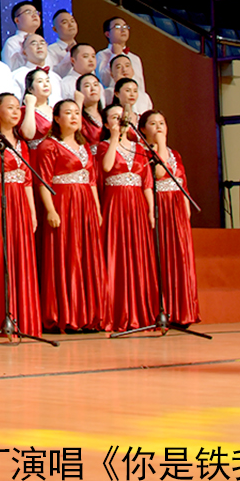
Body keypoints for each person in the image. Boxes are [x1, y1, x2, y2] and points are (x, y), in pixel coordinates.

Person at [35, 98, 106, 333]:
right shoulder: (48, 146)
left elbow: (92, 181)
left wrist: (96, 209)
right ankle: (65, 314)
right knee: (66, 255)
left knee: (86, 256)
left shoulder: (84, 147)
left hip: (85, 204)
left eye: (77, 113)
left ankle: (88, 314)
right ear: (56, 118)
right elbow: (43, 181)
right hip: (63, 203)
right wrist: (50, 210)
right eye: (68, 113)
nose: (74, 117)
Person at [0, 93, 40, 335]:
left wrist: (32, 213)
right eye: (9, 108)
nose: (15, 112)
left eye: (17, 108)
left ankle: (22, 317)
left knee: (21, 257)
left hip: (20, 202)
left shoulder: (21, 143)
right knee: (0, 256)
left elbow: (28, 181)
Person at [98, 104, 156, 332]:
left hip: (138, 204)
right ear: (106, 124)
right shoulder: (103, 146)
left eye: (122, 118)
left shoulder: (140, 148)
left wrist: (151, 210)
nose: (120, 121)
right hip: (115, 203)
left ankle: (141, 310)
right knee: (117, 253)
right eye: (114, 118)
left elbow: (147, 182)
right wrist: (114, 138)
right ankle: (117, 311)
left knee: (138, 254)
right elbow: (106, 167)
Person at [141, 110, 199, 328]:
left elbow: (182, 180)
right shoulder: (143, 152)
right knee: (163, 257)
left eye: (162, 123)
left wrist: (185, 207)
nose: (158, 127)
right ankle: (163, 309)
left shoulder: (176, 154)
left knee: (180, 257)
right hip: (160, 205)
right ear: (143, 129)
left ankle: (183, 310)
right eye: (153, 123)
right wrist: (161, 144)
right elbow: (158, 174)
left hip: (176, 205)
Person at [99, 16, 145, 95]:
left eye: (125, 27)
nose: (123, 30)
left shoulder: (135, 58)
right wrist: (115, 55)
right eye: (117, 27)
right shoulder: (102, 55)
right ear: (108, 34)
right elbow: (104, 81)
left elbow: (141, 85)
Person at [2, 0, 45, 72]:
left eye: (36, 12)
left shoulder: (41, 41)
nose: (34, 15)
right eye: (28, 12)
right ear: (17, 20)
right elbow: (11, 70)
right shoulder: (12, 42)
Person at [75, 73, 107, 145]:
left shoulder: (106, 115)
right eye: (87, 86)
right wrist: (78, 103)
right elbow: (75, 131)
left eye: (95, 85)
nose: (93, 89)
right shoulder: (81, 119)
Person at [49, 9, 80, 78]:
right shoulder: (50, 50)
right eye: (65, 22)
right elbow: (53, 75)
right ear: (55, 29)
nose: (71, 24)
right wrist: (70, 54)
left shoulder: (81, 48)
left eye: (72, 21)